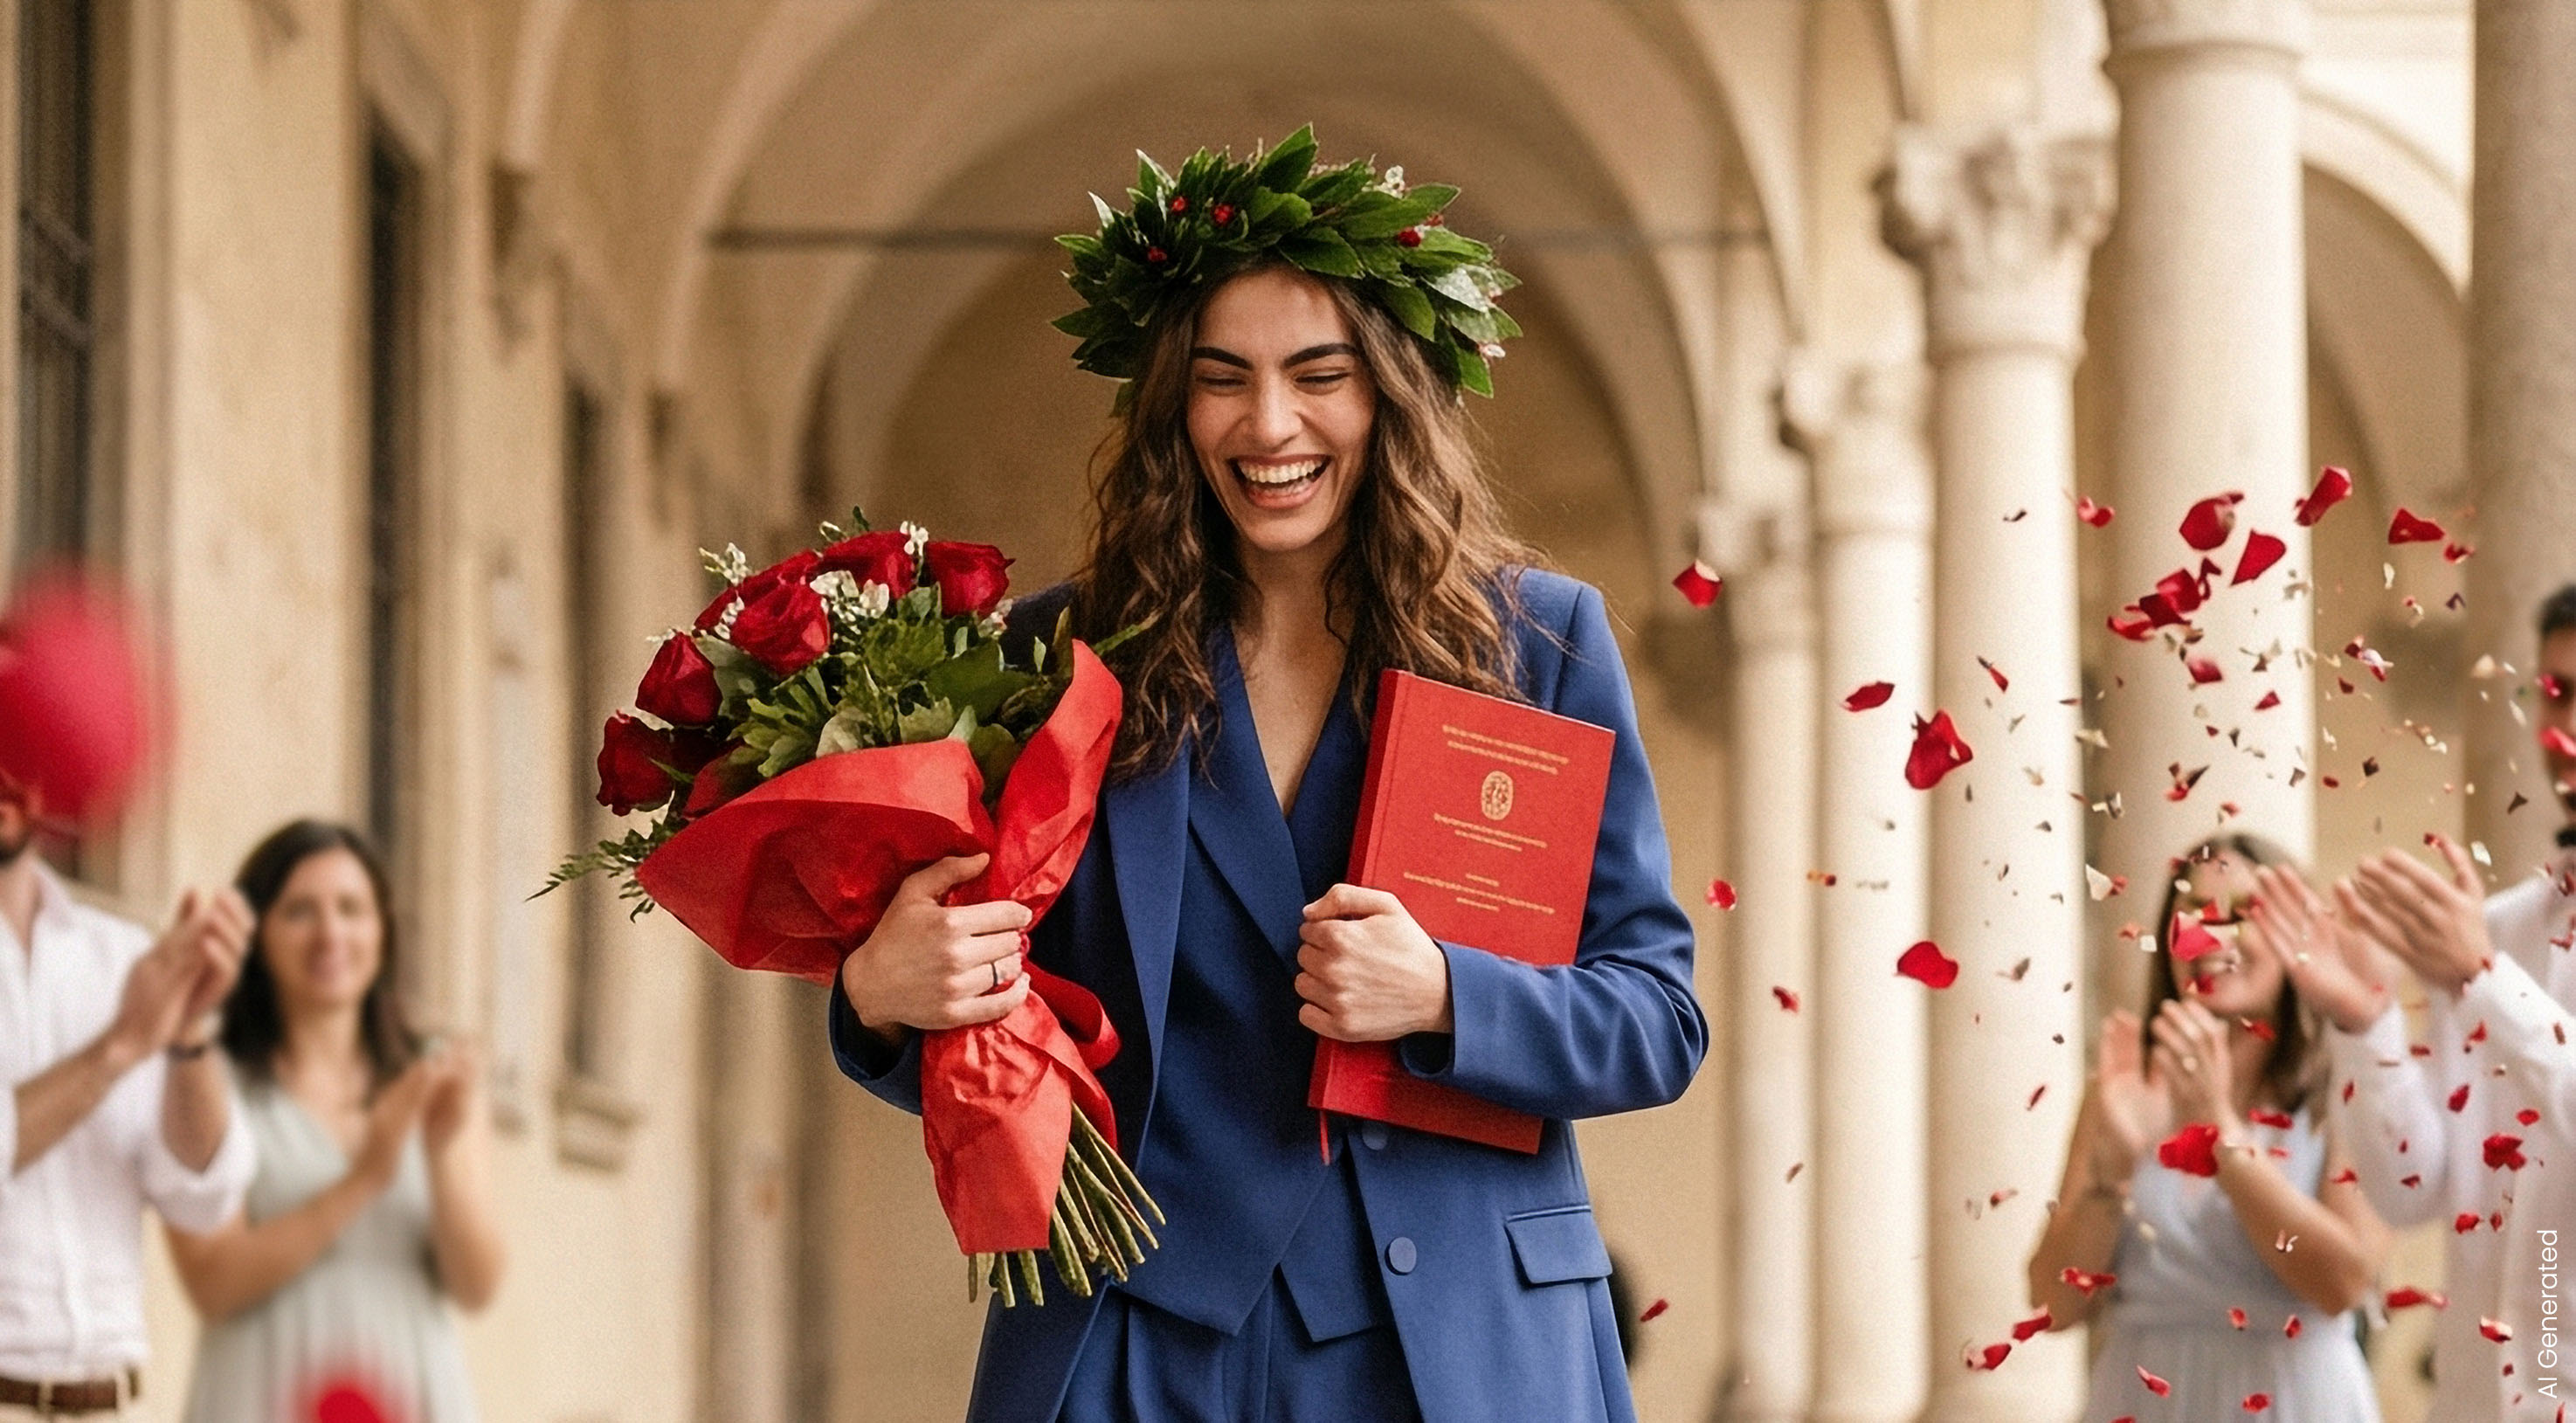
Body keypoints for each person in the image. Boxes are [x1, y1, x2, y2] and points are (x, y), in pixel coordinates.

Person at [829, 131, 1705, 1423]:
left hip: (1445, 1346)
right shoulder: (1056, 659)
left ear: (1390, 393)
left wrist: (1447, 994)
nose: (1270, 424)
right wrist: (884, 995)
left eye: (1319, 374)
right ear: (1173, 408)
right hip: (1137, 1340)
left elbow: (1655, 1018)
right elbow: (992, 1022)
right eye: (1222, 379)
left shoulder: (1541, 647)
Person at [2284, 583, 2576, 1421]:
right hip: (2477, 1398)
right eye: (2551, 693)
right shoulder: (2497, 929)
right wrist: (2365, 1023)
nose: (2560, 731)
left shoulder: (2482, 958)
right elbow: (2411, 1191)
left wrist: (2484, 983)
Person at [2028, 834, 2389, 1423]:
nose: (2211, 935)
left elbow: (2344, 1283)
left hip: (2293, 1398)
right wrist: (2109, 1173)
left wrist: (2218, 1133)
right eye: (2193, 911)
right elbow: (2053, 1304)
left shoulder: (2343, 1082)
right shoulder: (2122, 1086)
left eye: (2244, 913)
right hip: (2143, 1396)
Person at [166, 821, 503, 1423]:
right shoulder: (208, 1076)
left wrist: (442, 1148)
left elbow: (476, 1285)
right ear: (258, 931)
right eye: (299, 911)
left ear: (383, 928)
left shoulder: (437, 1071)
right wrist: (366, 1177)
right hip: (259, 1392)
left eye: (351, 908)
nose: (330, 934)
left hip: (412, 1388)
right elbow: (211, 1283)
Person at [0, 773, 256, 1420]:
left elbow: (201, 1196)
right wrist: (118, 1047)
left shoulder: (119, 955)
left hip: (112, 1403)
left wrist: (186, 1030)